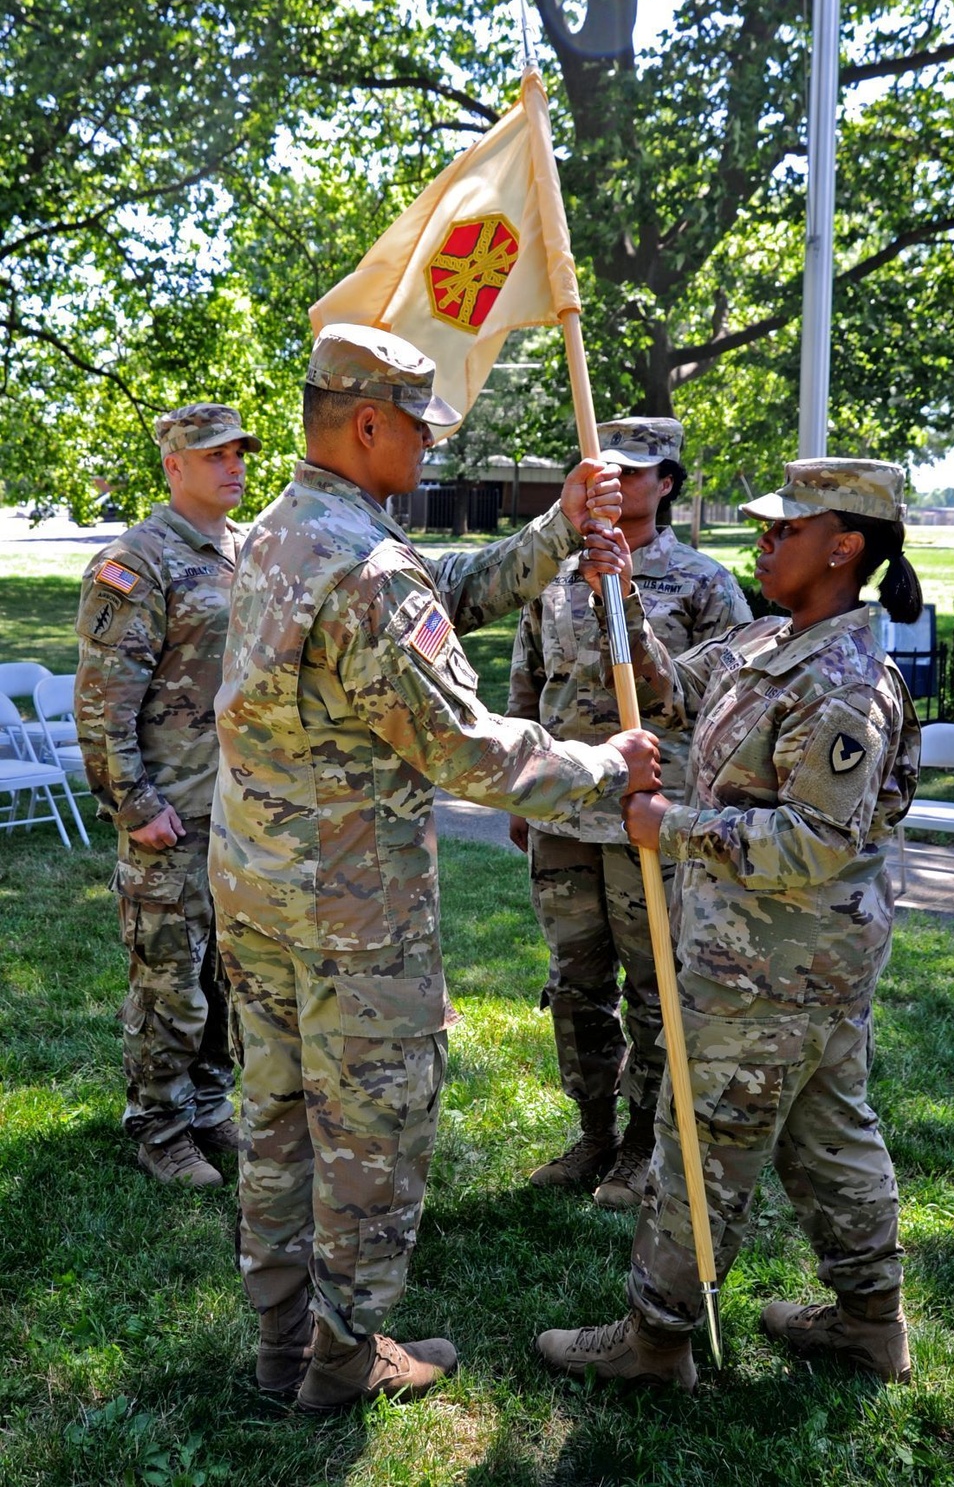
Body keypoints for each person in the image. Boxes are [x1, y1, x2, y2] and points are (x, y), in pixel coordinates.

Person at [208, 322, 662, 1411]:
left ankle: (281, 1342)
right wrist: (606, 763)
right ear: (367, 423)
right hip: (349, 912)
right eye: (418, 428)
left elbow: (436, 593)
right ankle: (343, 1357)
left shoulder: (283, 528)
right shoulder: (365, 567)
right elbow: (464, 746)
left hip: (258, 885)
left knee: (274, 1120)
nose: (429, 451)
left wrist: (556, 533)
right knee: (372, 1128)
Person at [536, 457, 922, 1391]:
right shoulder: (768, 643)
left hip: (775, 965)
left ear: (845, 547)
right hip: (781, 959)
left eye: (786, 529)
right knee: (828, 1132)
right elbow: (667, 690)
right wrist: (616, 588)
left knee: (700, 1140)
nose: (765, 539)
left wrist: (673, 828)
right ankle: (872, 1325)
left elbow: (816, 841)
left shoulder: (845, 682)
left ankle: (656, 1340)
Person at [507, 417, 752, 1207]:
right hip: (563, 807)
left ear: (668, 482)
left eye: (635, 470)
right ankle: (594, 1132)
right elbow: (527, 679)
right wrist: (522, 789)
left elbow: (731, 698)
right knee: (574, 981)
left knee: (654, 984)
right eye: (605, 468)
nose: (618, 482)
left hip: (651, 809)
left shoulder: (704, 583)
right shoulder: (554, 571)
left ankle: (647, 1140)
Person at [75, 403, 261, 1189]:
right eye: (214, 455)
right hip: (171, 813)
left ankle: (209, 1103)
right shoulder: (138, 562)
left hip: (243, 813)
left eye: (241, 452)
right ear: (173, 466)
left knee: (224, 974)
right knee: (168, 978)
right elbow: (100, 706)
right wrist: (136, 805)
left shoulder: (247, 552)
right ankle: (159, 1122)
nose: (234, 466)